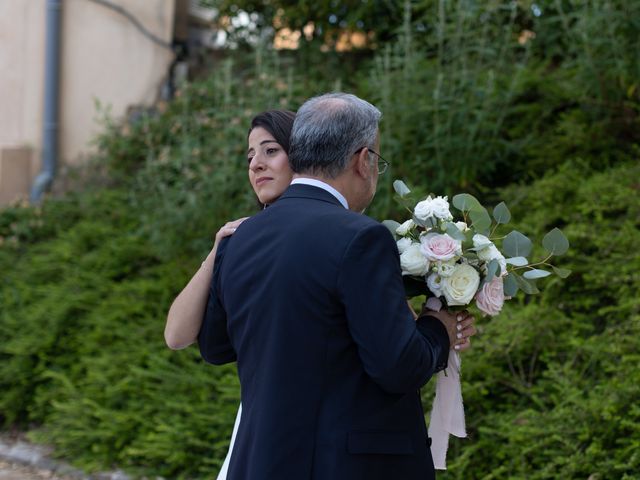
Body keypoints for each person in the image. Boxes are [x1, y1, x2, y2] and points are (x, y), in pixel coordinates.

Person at [198, 92, 476, 480]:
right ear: (363, 160)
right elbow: (397, 367)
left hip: (259, 461)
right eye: (376, 160)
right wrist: (437, 327)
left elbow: (215, 346)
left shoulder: (239, 237)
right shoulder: (362, 237)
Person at [164, 110, 296, 479]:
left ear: (301, 154)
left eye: (270, 151)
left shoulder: (346, 235)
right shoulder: (239, 241)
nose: (256, 164)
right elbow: (176, 336)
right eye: (250, 156)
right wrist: (217, 248)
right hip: (259, 423)